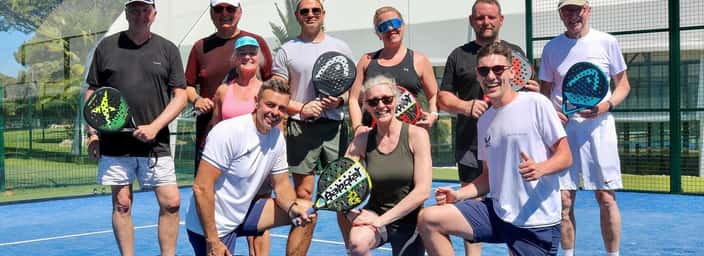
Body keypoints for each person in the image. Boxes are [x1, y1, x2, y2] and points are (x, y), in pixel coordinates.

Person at [417, 42, 573, 256]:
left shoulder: (537, 103)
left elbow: (565, 157)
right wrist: (458, 194)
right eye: (484, 71)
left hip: (536, 223)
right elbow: (488, 178)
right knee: (429, 219)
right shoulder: (485, 120)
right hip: (498, 214)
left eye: (498, 69)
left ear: (512, 72)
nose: (491, 76)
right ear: (478, 75)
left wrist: (541, 168)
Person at [435, 1, 540, 254]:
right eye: (480, 18)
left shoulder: (515, 53)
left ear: (501, 20)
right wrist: (467, 106)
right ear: (472, 21)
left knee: (519, 206)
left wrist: (534, 89)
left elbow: (529, 88)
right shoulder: (458, 55)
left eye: (491, 17)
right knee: (472, 209)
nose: (486, 22)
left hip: (513, 145)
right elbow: (443, 98)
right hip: (471, 145)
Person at [84, 0, 187, 255]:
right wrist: (93, 133)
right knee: (122, 204)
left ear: (153, 14)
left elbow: (181, 96)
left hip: (156, 144)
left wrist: (155, 126)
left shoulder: (168, 49)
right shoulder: (106, 47)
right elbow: (93, 93)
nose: (140, 15)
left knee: (172, 203)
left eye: (145, 10)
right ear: (127, 12)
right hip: (115, 146)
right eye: (134, 9)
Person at [538, 1, 631, 255]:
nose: (572, 15)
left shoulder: (607, 42)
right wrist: (552, 114)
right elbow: (545, 92)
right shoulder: (551, 48)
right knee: (564, 201)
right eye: (567, 10)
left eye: (577, 9)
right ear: (560, 14)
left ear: (587, 10)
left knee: (606, 197)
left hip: (599, 129)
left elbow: (623, 86)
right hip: (563, 132)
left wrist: (606, 106)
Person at [185, 79, 313, 256]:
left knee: (307, 211)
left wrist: (292, 208)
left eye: (282, 108)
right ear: (256, 102)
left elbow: (282, 185)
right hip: (210, 226)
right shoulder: (228, 132)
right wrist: (213, 240)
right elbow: (201, 188)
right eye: (270, 105)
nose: (275, 112)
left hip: (243, 213)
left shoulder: (277, 137)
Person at [271, 0, 353, 255]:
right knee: (304, 194)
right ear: (297, 16)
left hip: (335, 128)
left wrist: (340, 99)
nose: (310, 15)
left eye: (315, 10)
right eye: (304, 11)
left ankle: (357, 250)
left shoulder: (341, 47)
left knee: (344, 198)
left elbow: (352, 90)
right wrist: (302, 108)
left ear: (323, 14)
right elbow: (277, 94)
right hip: (300, 130)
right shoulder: (286, 50)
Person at [344, 75, 432, 256]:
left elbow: (422, 191)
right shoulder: (361, 139)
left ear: (396, 101)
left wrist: (380, 221)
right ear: (366, 106)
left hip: (410, 221)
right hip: (375, 215)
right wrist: (351, 213)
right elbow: (338, 185)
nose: (381, 106)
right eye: (373, 101)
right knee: (357, 243)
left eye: (387, 99)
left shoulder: (417, 135)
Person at [185, 0, 272, 175]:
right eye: (218, 9)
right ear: (211, 14)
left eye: (230, 8)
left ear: (239, 12)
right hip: (210, 136)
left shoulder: (257, 42)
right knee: (208, 191)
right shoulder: (200, 47)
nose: (224, 13)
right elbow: (187, 86)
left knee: (255, 194)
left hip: (254, 137)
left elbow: (272, 84)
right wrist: (197, 99)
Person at [205, 36, 273, 256]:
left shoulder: (267, 91)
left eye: (252, 53)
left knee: (259, 225)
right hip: (229, 171)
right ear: (235, 59)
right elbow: (215, 127)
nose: (247, 57)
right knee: (226, 221)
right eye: (242, 53)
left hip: (259, 165)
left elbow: (276, 129)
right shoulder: (223, 91)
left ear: (259, 58)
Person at [348, 6, 439, 131]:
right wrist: (357, 127)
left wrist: (433, 115)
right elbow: (353, 99)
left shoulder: (419, 60)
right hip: (373, 136)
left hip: (410, 135)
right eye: (383, 26)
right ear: (378, 34)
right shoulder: (366, 61)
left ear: (403, 26)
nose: (391, 29)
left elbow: (434, 95)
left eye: (395, 23)